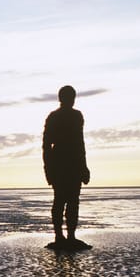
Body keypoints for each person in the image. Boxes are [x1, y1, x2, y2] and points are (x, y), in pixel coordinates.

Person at [42, 85, 90, 249]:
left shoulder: (77, 116)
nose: (71, 100)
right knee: (60, 201)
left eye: (72, 97)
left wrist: (84, 168)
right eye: (68, 97)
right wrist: (48, 170)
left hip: (74, 164)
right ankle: (59, 236)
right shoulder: (53, 117)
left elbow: (80, 143)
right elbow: (46, 146)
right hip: (59, 164)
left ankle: (70, 236)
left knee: (73, 202)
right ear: (61, 99)